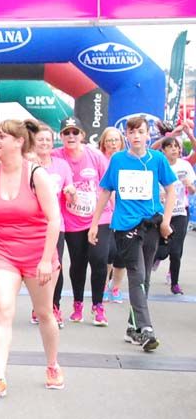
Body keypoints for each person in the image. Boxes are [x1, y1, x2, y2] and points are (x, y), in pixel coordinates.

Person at [0, 120, 62, 399]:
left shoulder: (36, 175)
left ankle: (52, 365)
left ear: (19, 142)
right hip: (3, 252)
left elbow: (54, 219)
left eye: (2, 136)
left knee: (45, 313)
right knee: (3, 311)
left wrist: (47, 259)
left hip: (38, 253)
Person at [89, 116, 176, 352]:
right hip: (126, 226)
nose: (136, 136)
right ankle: (146, 329)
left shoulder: (157, 159)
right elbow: (106, 191)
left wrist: (166, 221)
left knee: (145, 277)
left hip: (152, 224)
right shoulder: (117, 160)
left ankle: (132, 326)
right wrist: (95, 223)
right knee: (136, 275)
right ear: (126, 136)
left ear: (148, 135)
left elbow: (171, 190)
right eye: (132, 132)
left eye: (140, 132)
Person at [53, 118, 113, 326]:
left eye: (75, 132)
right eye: (67, 133)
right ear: (60, 136)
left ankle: (98, 306)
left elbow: (108, 184)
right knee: (77, 264)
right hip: (71, 219)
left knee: (98, 259)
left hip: (100, 217)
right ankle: (78, 303)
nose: (71, 137)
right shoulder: (55, 157)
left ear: (82, 135)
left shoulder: (95, 156)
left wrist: (115, 211)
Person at [34, 125, 76, 326]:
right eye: (40, 140)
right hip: (32, 225)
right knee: (35, 266)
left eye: (47, 140)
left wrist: (71, 192)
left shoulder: (61, 165)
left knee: (54, 266)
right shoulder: (27, 164)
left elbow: (70, 193)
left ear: (53, 143)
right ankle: (39, 306)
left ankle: (53, 306)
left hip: (55, 225)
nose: (44, 143)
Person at [155, 137, 195, 294]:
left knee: (176, 251)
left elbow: (192, 191)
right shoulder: (159, 165)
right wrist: (160, 195)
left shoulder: (184, 166)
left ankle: (175, 284)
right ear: (163, 150)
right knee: (162, 251)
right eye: (170, 146)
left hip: (180, 212)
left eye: (176, 147)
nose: (174, 149)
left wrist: (189, 186)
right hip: (162, 213)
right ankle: (157, 258)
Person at [97, 126, 128, 303]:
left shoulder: (128, 159)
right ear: (103, 143)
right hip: (105, 214)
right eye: (109, 140)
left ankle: (115, 287)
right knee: (108, 252)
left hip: (125, 213)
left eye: (116, 140)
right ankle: (102, 284)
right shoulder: (99, 159)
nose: (113, 143)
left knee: (122, 254)